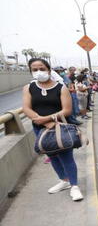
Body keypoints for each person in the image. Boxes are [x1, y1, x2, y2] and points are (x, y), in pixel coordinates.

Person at [22, 58, 83, 201]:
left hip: (60, 128)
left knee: (66, 156)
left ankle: (74, 186)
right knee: (52, 156)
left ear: (49, 70)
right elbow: (26, 108)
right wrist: (41, 121)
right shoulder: (28, 88)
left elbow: (67, 110)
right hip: (40, 129)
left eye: (42, 68)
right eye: (35, 69)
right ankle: (64, 180)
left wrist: (48, 119)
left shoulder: (61, 88)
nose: (39, 72)